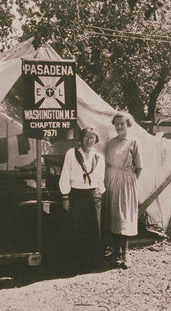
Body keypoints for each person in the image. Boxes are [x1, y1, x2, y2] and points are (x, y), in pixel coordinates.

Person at [59, 126, 106, 264]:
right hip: (77, 194)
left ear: (96, 139)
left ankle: (93, 260)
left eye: (92, 137)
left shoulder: (99, 157)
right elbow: (65, 175)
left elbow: (100, 177)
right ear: (81, 139)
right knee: (76, 227)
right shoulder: (71, 154)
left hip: (93, 195)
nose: (89, 140)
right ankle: (76, 261)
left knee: (93, 228)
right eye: (86, 137)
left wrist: (100, 193)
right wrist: (65, 197)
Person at [103, 114, 142, 269]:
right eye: (117, 124)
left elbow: (139, 166)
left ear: (128, 125)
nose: (119, 127)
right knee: (112, 214)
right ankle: (115, 251)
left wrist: (129, 182)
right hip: (111, 179)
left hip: (126, 181)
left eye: (122, 124)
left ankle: (126, 253)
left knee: (123, 215)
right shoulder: (111, 142)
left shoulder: (133, 142)